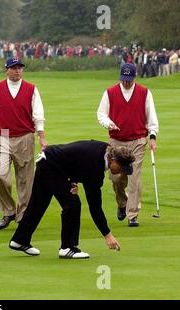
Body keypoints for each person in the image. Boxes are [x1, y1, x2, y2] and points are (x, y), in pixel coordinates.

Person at [9, 140, 135, 259]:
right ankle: (67, 247)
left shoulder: (104, 150)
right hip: (51, 165)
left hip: (48, 160)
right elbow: (95, 206)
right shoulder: (95, 168)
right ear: (113, 160)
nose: (122, 172)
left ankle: (20, 240)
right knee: (72, 204)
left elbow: (76, 159)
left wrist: (72, 180)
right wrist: (107, 235)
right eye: (122, 168)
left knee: (39, 203)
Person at [0, 57, 48, 230]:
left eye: (20, 67)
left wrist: (41, 135)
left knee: (25, 179)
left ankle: (23, 215)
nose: (17, 70)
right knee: (0, 175)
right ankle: (8, 211)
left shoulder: (31, 89)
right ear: (7, 70)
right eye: (14, 67)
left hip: (25, 137)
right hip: (2, 136)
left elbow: (38, 114)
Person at [97, 63, 159, 227]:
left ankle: (133, 214)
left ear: (134, 78)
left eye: (129, 80)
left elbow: (151, 116)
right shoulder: (110, 93)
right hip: (116, 141)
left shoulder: (144, 93)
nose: (126, 83)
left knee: (134, 177)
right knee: (117, 178)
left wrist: (152, 136)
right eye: (123, 80)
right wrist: (108, 123)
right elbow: (101, 114)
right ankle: (122, 204)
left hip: (137, 140)